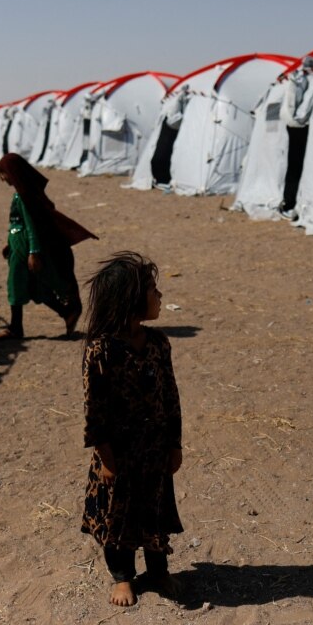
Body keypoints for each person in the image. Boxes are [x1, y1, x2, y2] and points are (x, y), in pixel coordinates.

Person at [80, 252, 184, 606]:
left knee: (154, 511)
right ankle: (122, 577)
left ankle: (158, 571)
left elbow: (171, 397)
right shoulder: (101, 351)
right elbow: (94, 413)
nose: (159, 297)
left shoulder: (158, 344)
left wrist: (175, 444)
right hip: (118, 455)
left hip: (154, 450)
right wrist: (106, 458)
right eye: (153, 291)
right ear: (131, 300)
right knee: (117, 520)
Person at [0, 153, 97, 339]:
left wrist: (33, 252)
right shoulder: (26, 194)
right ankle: (67, 312)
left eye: (3, 173)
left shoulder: (23, 197)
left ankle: (15, 328)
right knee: (35, 286)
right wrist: (9, 243)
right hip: (18, 246)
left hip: (23, 249)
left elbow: (31, 226)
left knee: (16, 284)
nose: (3, 179)